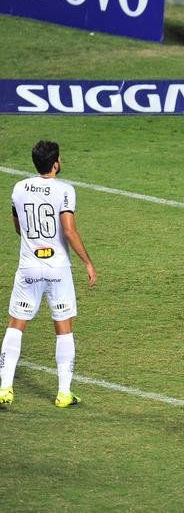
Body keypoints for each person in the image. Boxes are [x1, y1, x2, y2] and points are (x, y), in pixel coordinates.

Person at [1, 140, 98, 410]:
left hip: (28, 267)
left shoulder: (18, 189)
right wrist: (88, 262)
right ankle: (64, 393)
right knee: (63, 328)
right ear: (55, 163)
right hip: (57, 269)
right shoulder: (65, 190)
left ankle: (4, 388)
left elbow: (19, 227)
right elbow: (68, 230)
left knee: (16, 324)